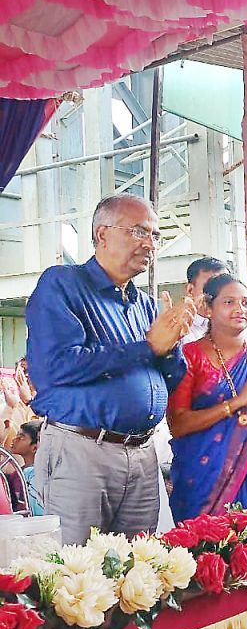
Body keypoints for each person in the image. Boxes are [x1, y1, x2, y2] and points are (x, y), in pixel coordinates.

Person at [26, 194, 194, 544]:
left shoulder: (145, 304)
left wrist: (170, 346)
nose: (150, 244)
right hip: (82, 451)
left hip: (143, 453)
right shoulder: (63, 284)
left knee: (138, 575)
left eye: (155, 236)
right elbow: (57, 366)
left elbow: (172, 377)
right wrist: (147, 347)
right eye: (139, 232)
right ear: (102, 234)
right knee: (76, 578)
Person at [167, 274, 247, 520]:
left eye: (245, 302)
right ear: (208, 308)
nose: (239, 309)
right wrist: (237, 402)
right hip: (203, 479)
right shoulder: (189, 356)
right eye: (229, 302)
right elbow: (178, 424)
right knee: (206, 553)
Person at [183, 257, 229, 344]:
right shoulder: (181, 332)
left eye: (226, 286)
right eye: (212, 286)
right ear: (190, 290)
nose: (222, 293)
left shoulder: (244, 328)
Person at [10, 420, 41, 515]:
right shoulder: (15, 475)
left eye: (21, 437)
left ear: (35, 448)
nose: (14, 440)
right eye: (16, 436)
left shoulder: (39, 476)